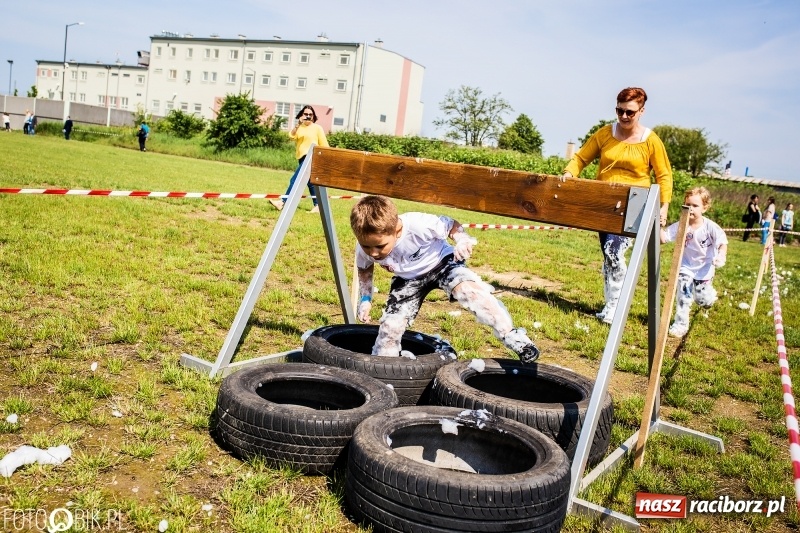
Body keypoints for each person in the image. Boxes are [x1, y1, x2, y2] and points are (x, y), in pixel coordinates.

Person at [350, 195, 540, 363]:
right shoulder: (365, 248)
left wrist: (462, 240)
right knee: (390, 326)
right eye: (366, 246)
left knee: (470, 291)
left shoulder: (418, 224)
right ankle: (383, 364)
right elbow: (365, 270)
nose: (373, 253)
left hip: (442, 263)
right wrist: (365, 300)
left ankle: (515, 339)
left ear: (397, 230)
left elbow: (451, 225)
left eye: (380, 246)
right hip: (408, 279)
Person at [562, 87, 673, 324]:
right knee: (608, 254)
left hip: (635, 202)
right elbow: (581, 158)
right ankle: (610, 304)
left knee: (615, 252)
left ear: (641, 111)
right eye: (619, 111)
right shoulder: (604, 134)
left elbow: (664, 175)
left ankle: (615, 308)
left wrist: (663, 206)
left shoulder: (650, 141)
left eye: (630, 112)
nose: (623, 116)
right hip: (604, 201)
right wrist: (570, 173)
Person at [660, 187, 728, 338]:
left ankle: (709, 297)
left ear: (705, 207)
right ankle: (680, 325)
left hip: (704, 269)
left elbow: (723, 243)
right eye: (687, 204)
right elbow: (663, 239)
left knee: (702, 300)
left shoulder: (710, 227)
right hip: (685, 266)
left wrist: (721, 256)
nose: (690, 208)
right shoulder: (681, 224)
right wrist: (658, 224)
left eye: (695, 206)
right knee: (683, 295)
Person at [270, 105, 329, 214]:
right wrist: (298, 124)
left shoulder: (317, 128)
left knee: (295, 180)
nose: (308, 116)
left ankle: (282, 202)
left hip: (311, 157)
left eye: (310, 114)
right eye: (306, 114)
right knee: (311, 183)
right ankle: (318, 205)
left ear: (313, 116)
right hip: (301, 158)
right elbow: (291, 136)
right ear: (301, 115)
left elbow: (325, 145)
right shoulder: (300, 128)